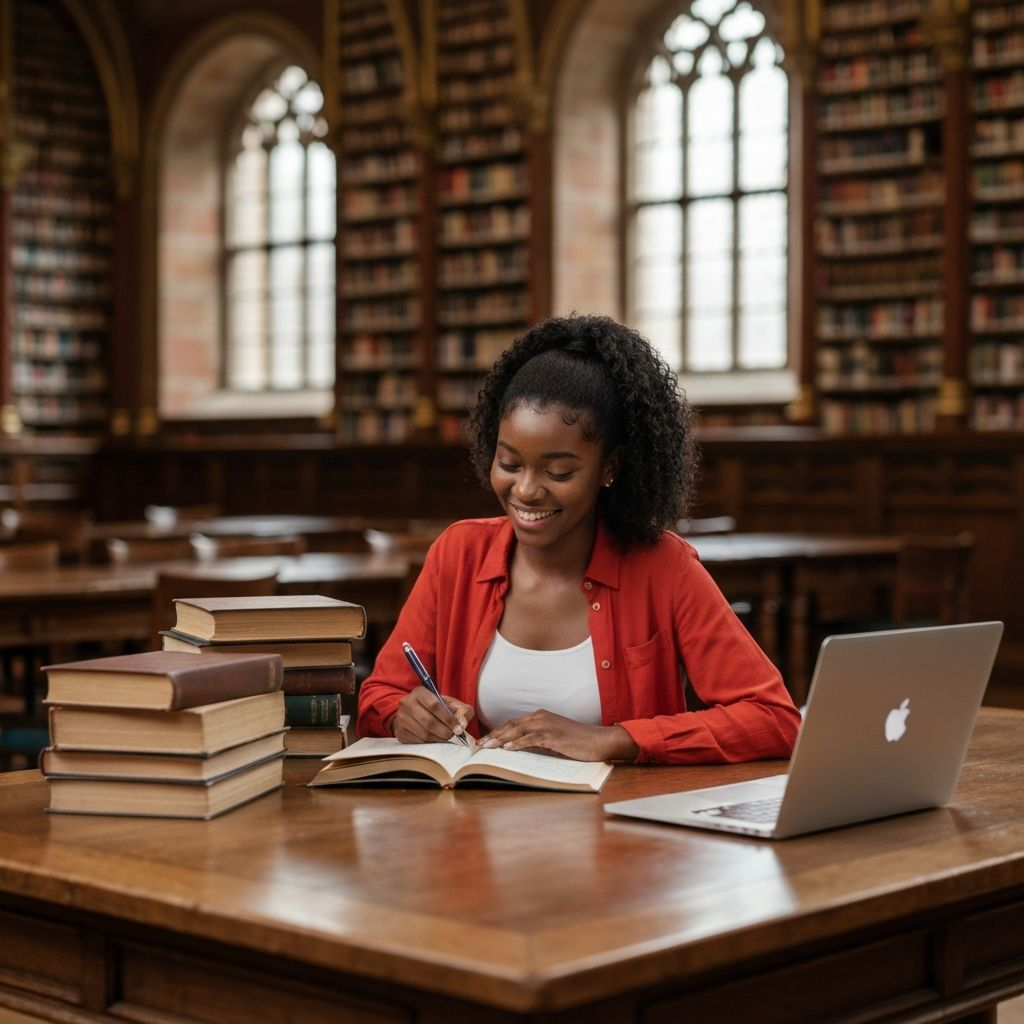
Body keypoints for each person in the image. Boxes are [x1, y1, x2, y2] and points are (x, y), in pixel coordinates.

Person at [357, 314, 801, 764]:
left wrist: (615, 740)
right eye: (509, 464)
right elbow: (380, 696)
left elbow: (775, 719)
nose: (526, 490)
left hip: (619, 809)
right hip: (475, 806)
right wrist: (402, 715)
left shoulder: (665, 567)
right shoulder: (459, 553)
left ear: (610, 467)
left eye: (558, 471)